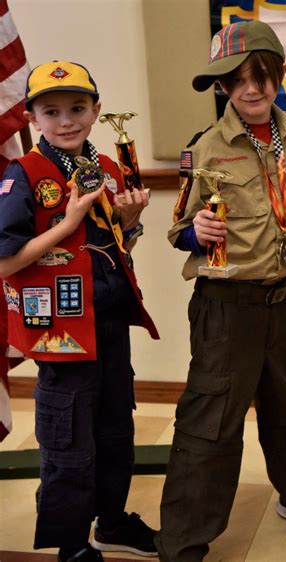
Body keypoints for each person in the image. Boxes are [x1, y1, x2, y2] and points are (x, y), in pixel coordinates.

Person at [157, 19, 286, 562]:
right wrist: (195, 232)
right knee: (213, 422)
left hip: (279, 302)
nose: (250, 89)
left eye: (260, 75)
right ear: (222, 87)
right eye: (235, 80)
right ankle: (184, 539)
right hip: (225, 308)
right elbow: (178, 230)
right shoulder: (204, 148)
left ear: (280, 74)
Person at [0, 61, 160, 561]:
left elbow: (116, 248)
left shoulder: (106, 168)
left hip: (109, 321)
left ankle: (111, 521)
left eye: (76, 108)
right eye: (52, 111)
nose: (66, 120)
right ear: (33, 117)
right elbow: (6, 261)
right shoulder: (23, 173)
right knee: (68, 441)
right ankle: (71, 544)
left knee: (116, 431)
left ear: (96, 110)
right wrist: (68, 220)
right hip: (62, 334)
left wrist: (129, 224)